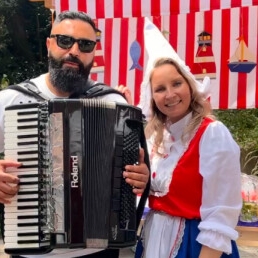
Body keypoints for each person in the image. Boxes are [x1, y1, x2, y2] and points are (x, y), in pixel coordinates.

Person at [0, 10, 149, 258]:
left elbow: (135, 173)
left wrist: (140, 177)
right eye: (65, 40)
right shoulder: (12, 99)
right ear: (49, 44)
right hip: (33, 252)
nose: (74, 51)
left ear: (93, 52)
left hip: (98, 250)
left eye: (85, 44)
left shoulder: (113, 103)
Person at [136, 57, 242, 258]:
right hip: (153, 240)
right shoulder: (155, 139)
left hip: (195, 245)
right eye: (160, 89)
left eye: (176, 83)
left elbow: (221, 215)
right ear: (152, 98)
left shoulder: (212, 134)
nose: (170, 94)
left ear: (190, 87)